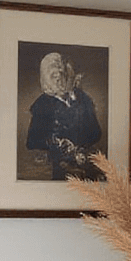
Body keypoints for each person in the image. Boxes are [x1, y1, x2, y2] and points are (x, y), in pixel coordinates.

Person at [25, 51, 103, 181]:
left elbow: (96, 133)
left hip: (86, 164)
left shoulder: (83, 99)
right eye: (55, 76)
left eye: (64, 75)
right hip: (60, 168)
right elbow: (32, 141)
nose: (60, 79)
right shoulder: (42, 105)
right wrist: (55, 143)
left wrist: (81, 147)